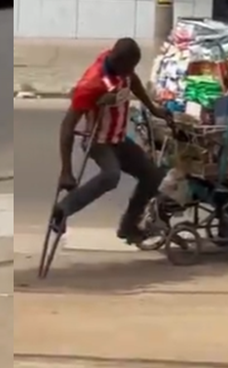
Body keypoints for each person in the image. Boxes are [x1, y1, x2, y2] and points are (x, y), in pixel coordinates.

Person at [51, 38, 171, 243]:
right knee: (111, 175)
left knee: (152, 175)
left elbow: (133, 81)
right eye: (129, 67)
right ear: (119, 61)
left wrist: (153, 109)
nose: (131, 71)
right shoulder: (92, 83)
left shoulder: (121, 68)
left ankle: (129, 226)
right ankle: (63, 210)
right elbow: (67, 126)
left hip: (119, 139)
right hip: (98, 141)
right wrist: (66, 171)